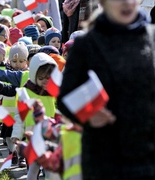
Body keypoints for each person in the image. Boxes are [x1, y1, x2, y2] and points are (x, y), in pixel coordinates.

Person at [57, 0, 155, 179]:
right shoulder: (85, 45)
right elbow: (64, 98)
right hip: (103, 156)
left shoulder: (151, 39)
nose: (127, 3)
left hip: (147, 154)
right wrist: (88, 115)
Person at [11, 53, 57, 179]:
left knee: (49, 167)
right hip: (32, 136)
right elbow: (19, 116)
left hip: (49, 135)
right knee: (33, 167)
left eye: (49, 78)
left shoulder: (53, 92)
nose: (45, 81)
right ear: (33, 75)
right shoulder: (26, 93)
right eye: (41, 78)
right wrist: (16, 134)